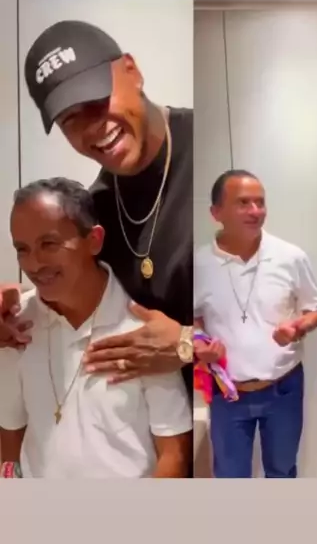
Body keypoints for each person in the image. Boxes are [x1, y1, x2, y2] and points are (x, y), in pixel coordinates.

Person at [0, 20, 194, 466]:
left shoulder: (204, 146)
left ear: (132, 71)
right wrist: (12, 315)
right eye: (71, 119)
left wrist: (188, 342)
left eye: (96, 102)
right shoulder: (98, 207)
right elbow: (70, 289)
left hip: (217, 409)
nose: (92, 128)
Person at [0, 178, 192, 478]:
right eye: (21, 249)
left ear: (93, 240)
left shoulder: (146, 333)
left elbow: (174, 452)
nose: (34, 264)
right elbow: (11, 429)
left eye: (49, 244)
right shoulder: (15, 326)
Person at [194, 170, 317, 478]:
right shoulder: (197, 264)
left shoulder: (290, 257)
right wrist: (199, 343)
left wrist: (298, 328)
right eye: (243, 203)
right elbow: (193, 317)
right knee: (230, 476)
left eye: (260, 202)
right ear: (216, 213)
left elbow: (315, 308)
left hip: (283, 388)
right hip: (227, 392)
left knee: (282, 472)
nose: (256, 211)